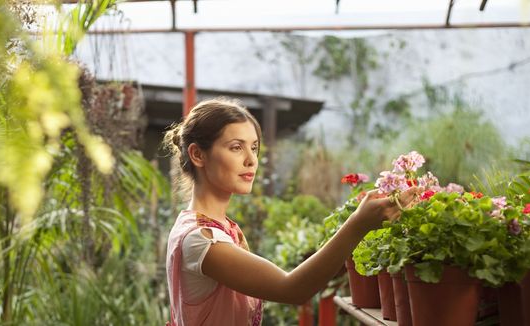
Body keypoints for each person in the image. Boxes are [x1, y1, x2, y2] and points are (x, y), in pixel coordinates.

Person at [164, 97, 422, 326]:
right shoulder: (202, 239)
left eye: (254, 147)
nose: (251, 160)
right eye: (236, 147)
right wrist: (358, 223)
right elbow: (293, 289)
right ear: (198, 155)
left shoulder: (216, 228)